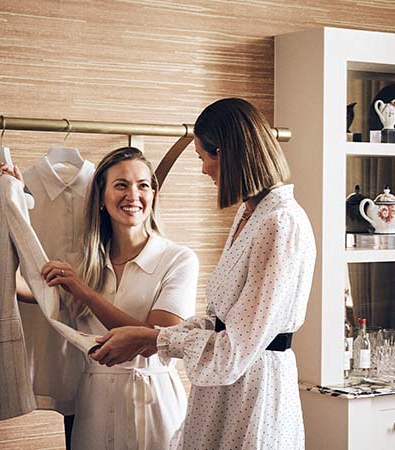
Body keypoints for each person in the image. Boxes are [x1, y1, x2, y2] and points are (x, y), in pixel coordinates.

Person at [90, 98, 317, 450]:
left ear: (225, 153)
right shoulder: (249, 215)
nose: (203, 170)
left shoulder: (280, 224)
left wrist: (152, 339)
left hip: (253, 393)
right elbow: (222, 322)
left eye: (202, 158)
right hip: (223, 396)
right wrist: (155, 336)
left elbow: (234, 350)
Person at [0, 147, 199, 450]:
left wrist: (83, 291)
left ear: (153, 194)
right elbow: (26, 287)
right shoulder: (83, 261)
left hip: (156, 403)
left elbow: (153, 340)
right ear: (101, 199)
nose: (133, 195)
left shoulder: (178, 259)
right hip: (94, 403)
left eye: (143, 185)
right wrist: (10, 201)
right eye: (121, 185)